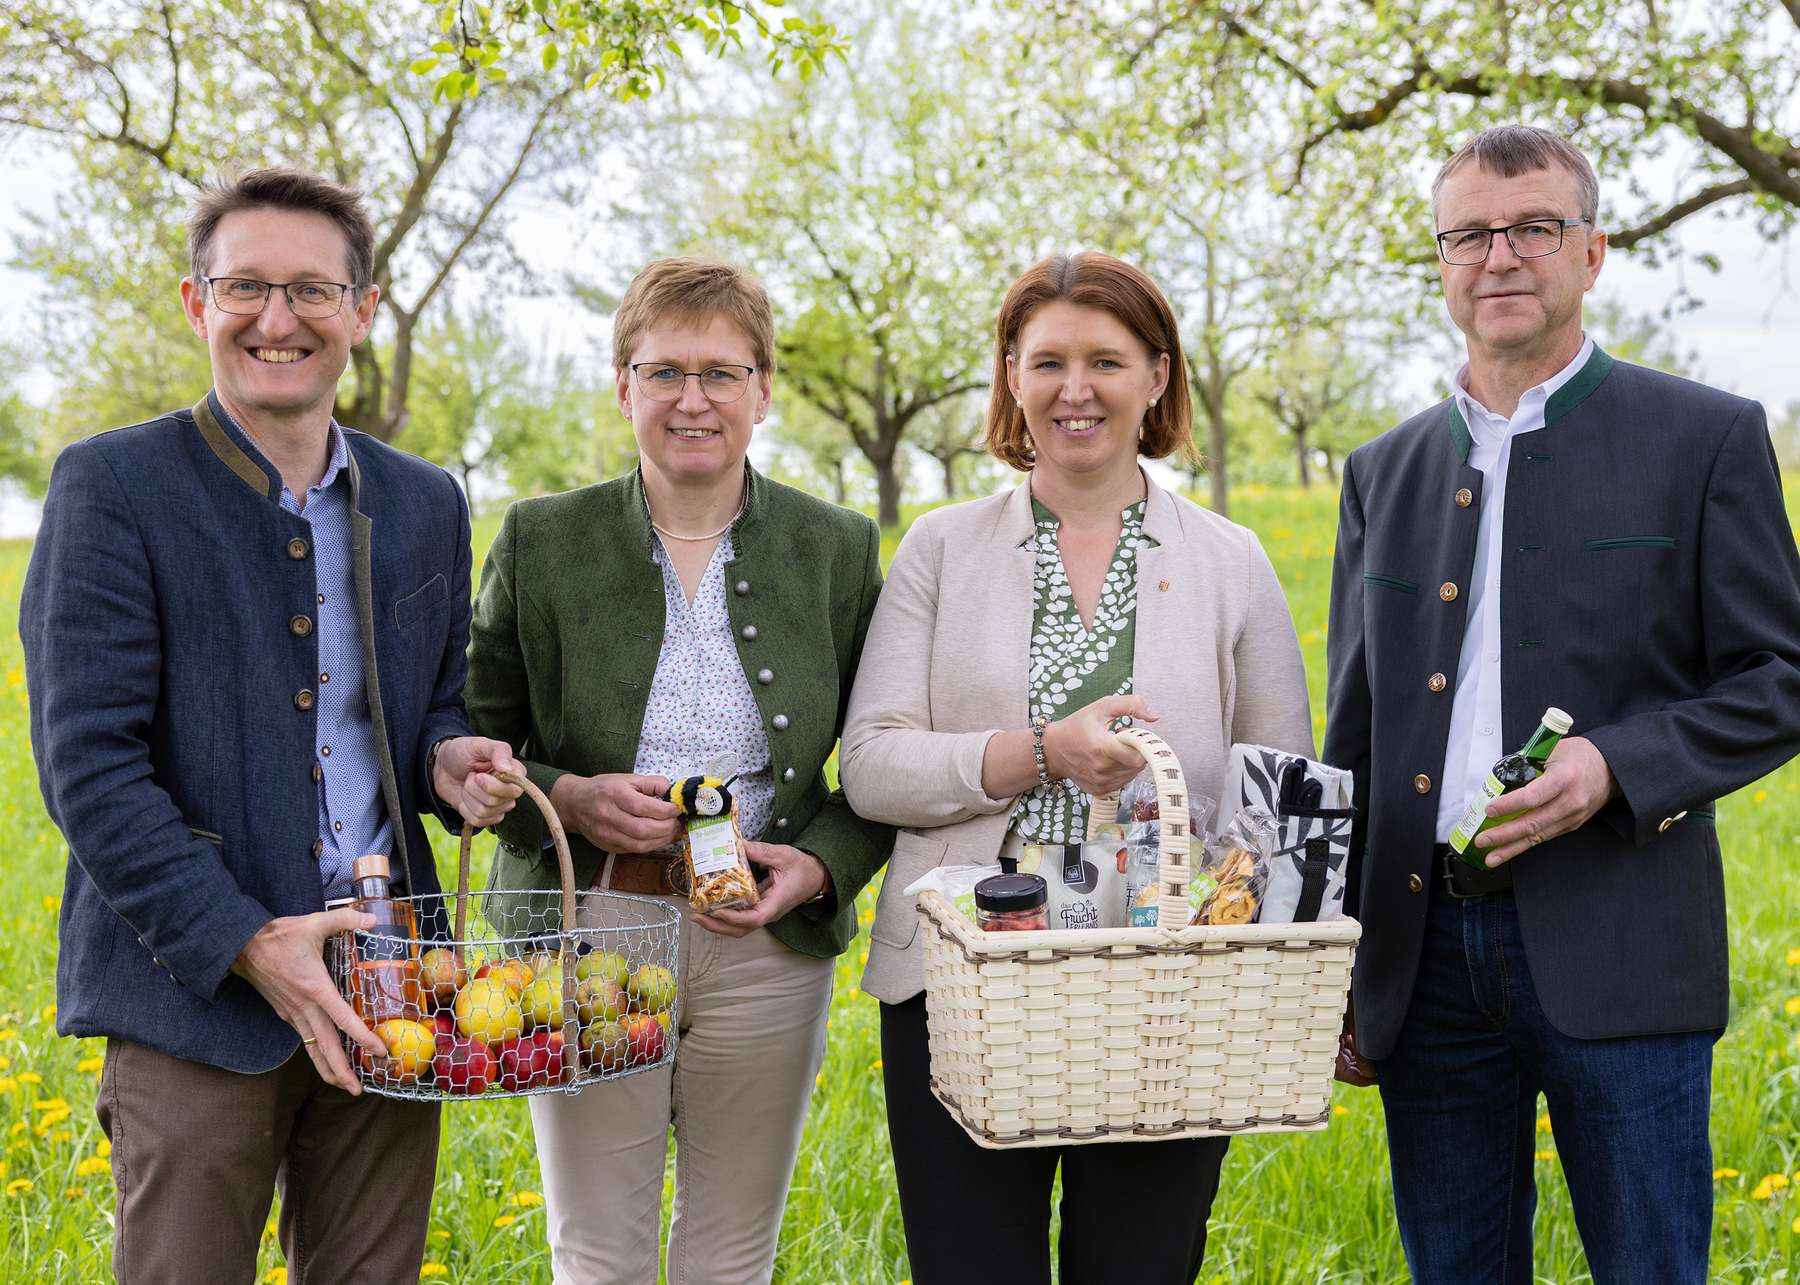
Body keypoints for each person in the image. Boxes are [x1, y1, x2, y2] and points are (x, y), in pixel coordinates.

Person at [20, 165, 522, 1282]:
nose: (278, 319)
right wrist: (250, 941)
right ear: (198, 303)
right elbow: (87, 765)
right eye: (246, 288)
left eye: (311, 290)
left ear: (364, 310)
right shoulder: (111, 486)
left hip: (397, 985)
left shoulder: (427, 498)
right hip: (194, 998)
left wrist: (451, 758)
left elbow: (430, 704)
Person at [1324, 124, 1800, 1283]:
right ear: (1442, 264)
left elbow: (1780, 678)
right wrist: (1337, 956)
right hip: (1425, 954)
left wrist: (1619, 766)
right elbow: (1356, 735)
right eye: (1471, 234)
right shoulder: (1378, 470)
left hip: (1624, 942)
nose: (1501, 256)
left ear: (1591, 252)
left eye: (1534, 227)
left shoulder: (1708, 437)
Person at [840, 251, 1314, 1284]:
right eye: (1046, 359)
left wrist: (1220, 943)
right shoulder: (941, 548)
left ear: (1157, 374)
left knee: (1139, 1265)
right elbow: (873, 767)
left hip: (1166, 991)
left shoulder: (1233, 559)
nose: (1075, 388)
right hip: (963, 981)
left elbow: (1279, 801)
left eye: (1106, 359)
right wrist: (1039, 752)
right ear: (1011, 375)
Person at [464, 255, 893, 1285]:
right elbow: (475, 740)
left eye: (721, 372)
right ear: (623, 387)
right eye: (663, 373)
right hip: (590, 924)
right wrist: (564, 798)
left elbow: (884, 754)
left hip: (764, 933)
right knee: (597, 1252)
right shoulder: (542, 538)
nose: (692, 399)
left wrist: (820, 866)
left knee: (730, 1255)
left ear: (764, 388)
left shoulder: (834, 547)